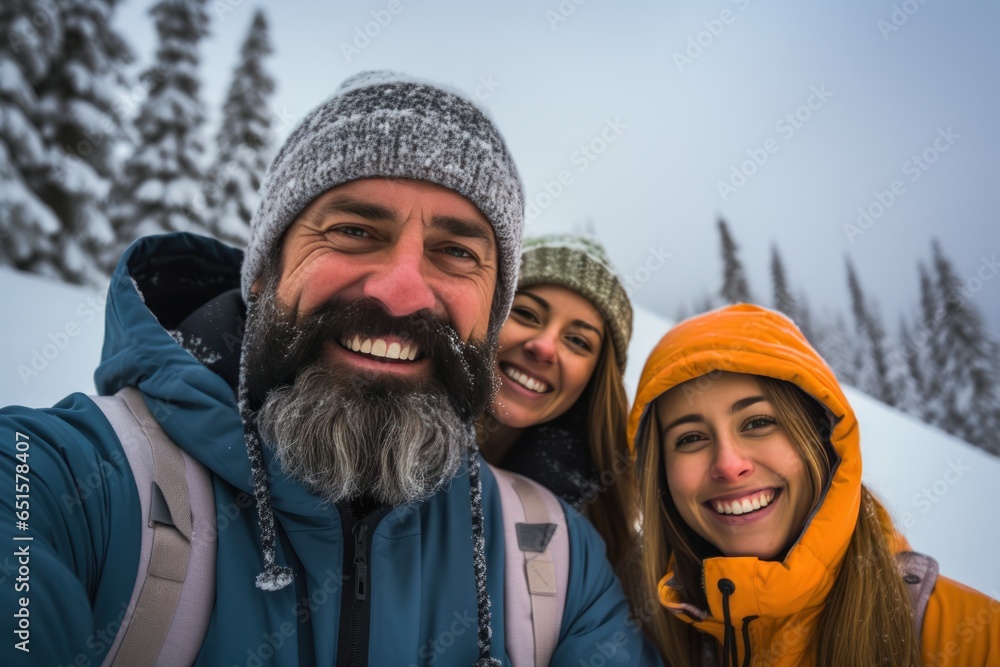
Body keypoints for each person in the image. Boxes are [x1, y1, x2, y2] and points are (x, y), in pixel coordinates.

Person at [0, 72, 660, 666]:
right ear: (260, 271)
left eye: (456, 250)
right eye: (353, 231)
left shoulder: (556, 563)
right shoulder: (59, 479)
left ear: (490, 313)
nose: (401, 292)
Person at [625, 303, 1000, 666]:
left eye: (757, 423)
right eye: (690, 439)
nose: (728, 465)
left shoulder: (976, 639)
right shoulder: (638, 642)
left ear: (822, 441)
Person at [477, 234, 635, 569]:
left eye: (577, 341)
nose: (545, 347)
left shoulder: (589, 536)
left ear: (596, 377)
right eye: (527, 314)